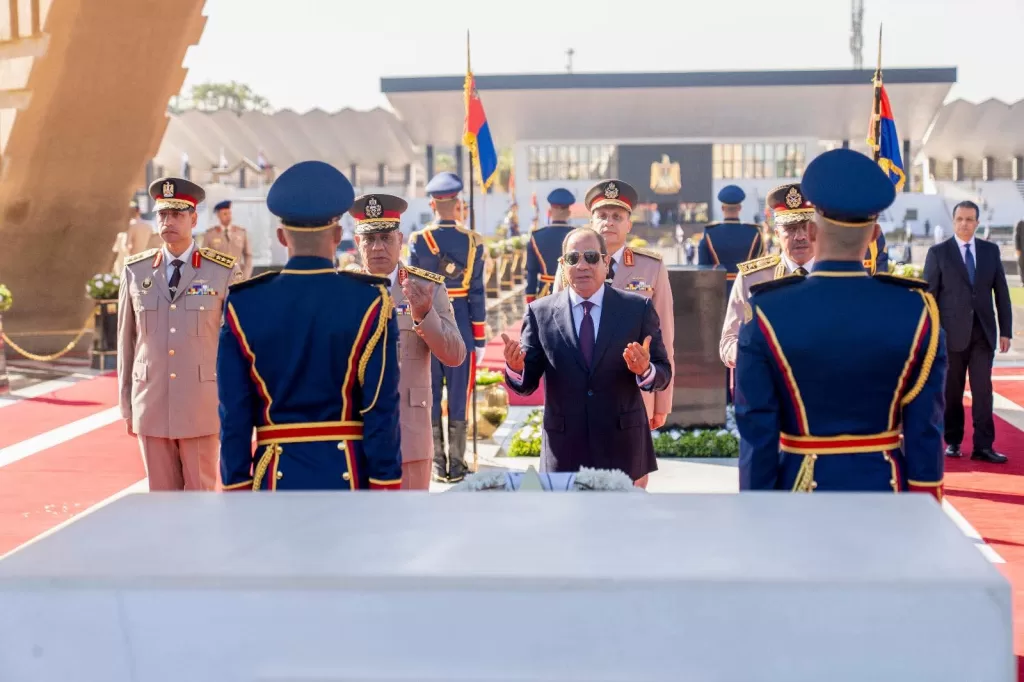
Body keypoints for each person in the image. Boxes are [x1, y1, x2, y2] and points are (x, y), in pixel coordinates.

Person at [735, 148, 947, 499]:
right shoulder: (917, 310)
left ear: (814, 232)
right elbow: (926, 433)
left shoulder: (767, 312)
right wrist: (925, 514)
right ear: (875, 233)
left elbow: (758, 436)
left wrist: (758, 517)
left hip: (800, 495)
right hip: (887, 494)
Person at [216, 161, 402, 491]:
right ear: (338, 235)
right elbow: (379, 408)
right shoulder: (370, 301)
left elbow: (234, 414)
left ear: (281, 236)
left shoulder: (244, 305)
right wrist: (384, 484)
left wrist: (237, 487)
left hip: (274, 477)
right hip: (348, 477)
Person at [502, 227, 672, 487]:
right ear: (562, 265)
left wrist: (645, 369)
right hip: (564, 447)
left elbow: (663, 372)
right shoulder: (540, 313)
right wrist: (517, 369)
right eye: (573, 258)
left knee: (622, 526)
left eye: (591, 257)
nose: (582, 265)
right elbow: (527, 383)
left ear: (606, 263)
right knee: (567, 527)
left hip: (621, 446)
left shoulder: (637, 309)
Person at [117, 177, 242, 491]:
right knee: (161, 503)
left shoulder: (222, 271)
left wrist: (238, 405)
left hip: (202, 406)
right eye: (162, 214)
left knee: (201, 498)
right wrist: (126, 403)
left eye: (177, 214)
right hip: (152, 403)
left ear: (194, 219)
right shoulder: (136, 271)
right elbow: (126, 342)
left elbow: (237, 345)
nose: (168, 221)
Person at [352, 193, 466, 490]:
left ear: (400, 239)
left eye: (386, 238)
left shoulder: (426, 286)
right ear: (357, 243)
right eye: (370, 239)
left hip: (409, 436)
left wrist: (424, 315)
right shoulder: (342, 291)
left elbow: (455, 355)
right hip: (354, 438)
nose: (378, 247)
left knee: (411, 529)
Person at [551, 179, 675, 430]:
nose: (609, 222)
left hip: (634, 391)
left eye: (617, 216)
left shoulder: (651, 267)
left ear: (629, 224)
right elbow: (555, 332)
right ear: (591, 223)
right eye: (603, 215)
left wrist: (662, 403)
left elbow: (666, 338)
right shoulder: (570, 264)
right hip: (580, 391)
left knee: (632, 468)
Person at [408, 172, 486, 483]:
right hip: (462, 321)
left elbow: (412, 285)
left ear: (432, 203)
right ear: (458, 204)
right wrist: (479, 338)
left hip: (428, 319)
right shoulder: (472, 241)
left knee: (429, 389)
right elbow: (477, 291)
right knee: (458, 393)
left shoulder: (417, 241)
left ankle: (437, 463)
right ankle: (457, 462)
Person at [923, 200, 1012, 464]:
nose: (964, 223)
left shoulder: (990, 251)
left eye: (969, 219)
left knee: (983, 391)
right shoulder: (938, 253)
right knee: (952, 391)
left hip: (983, 334)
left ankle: (984, 446)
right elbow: (929, 296)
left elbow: (1002, 294)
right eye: (960, 219)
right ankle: (953, 441)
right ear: (953, 221)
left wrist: (1006, 331)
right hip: (950, 335)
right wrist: (931, 334)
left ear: (977, 222)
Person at [720, 182, 815, 368]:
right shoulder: (752, 278)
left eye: (806, 227)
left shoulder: (834, 275)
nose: (800, 236)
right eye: (791, 228)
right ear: (777, 233)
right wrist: (756, 352)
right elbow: (728, 342)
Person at [697, 185, 765, 296]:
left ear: (722, 208)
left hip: (717, 293)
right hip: (747, 291)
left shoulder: (710, 233)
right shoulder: (754, 233)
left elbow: (703, 270)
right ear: (740, 208)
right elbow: (761, 268)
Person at [524, 188, 575, 304]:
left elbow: (532, 271)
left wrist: (530, 297)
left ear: (550, 211)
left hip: (545, 294)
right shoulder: (577, 235)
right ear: (569, 212)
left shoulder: (536, 237)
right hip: (572, 293)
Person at [201, 200, 253, 280]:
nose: (228, 216)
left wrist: (246, 276)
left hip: (238, 278)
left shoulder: (241, 233)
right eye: (225, 214)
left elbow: (248, 255)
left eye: (229, 213)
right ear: (218, 215)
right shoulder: (210, 235)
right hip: (218, 279)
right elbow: (204, 258)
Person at [1013, 217, 1024, 284]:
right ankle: (1023, 282)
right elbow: (1016, 237)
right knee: (1022, 266)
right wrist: (1017, 248)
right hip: (1022, 250)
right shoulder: (1020, 224)